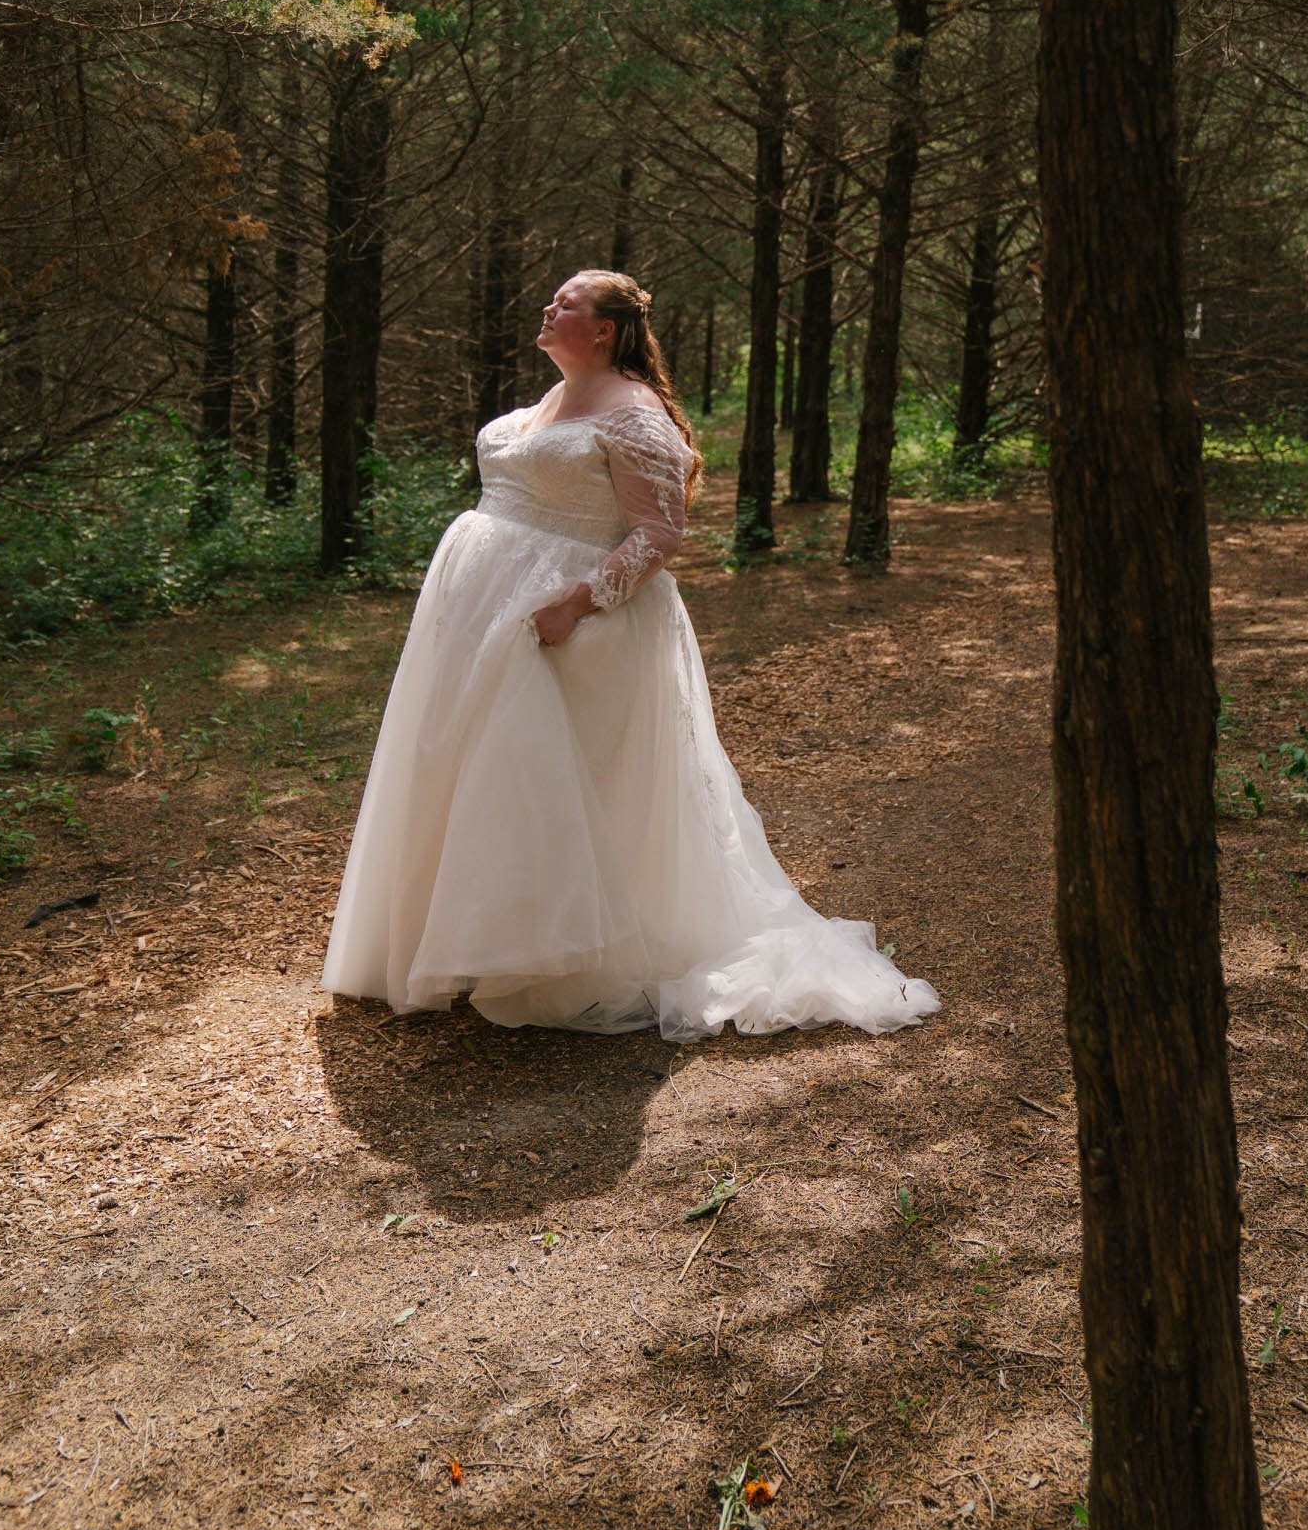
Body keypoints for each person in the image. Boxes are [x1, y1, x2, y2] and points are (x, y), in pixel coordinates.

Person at [319, 268, 939, 1040]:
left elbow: (659, 534)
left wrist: (576, 603)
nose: (547, 309)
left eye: (566, 305)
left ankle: (547, 958)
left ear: (605, 330)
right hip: (483, 613)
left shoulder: (634, 412)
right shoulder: (552, 401)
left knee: (532, 779)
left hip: (566, 621)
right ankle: (457, 943)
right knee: (467, 768)